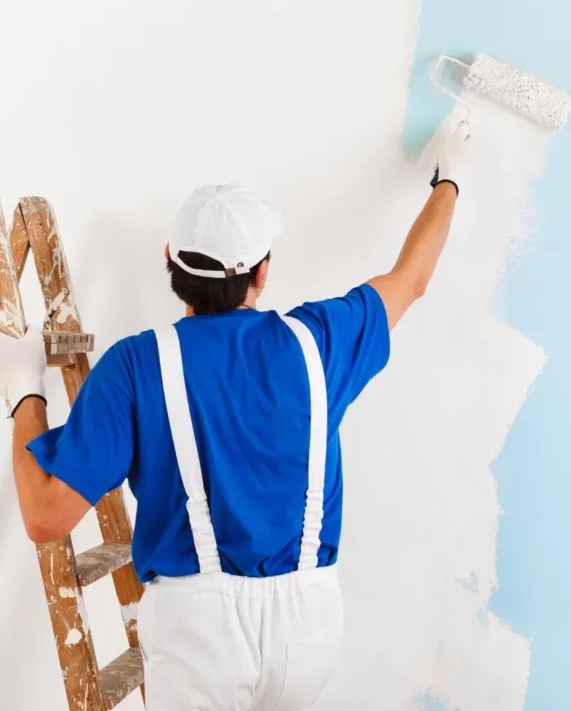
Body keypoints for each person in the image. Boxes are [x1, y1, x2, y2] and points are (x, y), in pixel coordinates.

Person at [0, 123, 471, 711]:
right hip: (310, 627)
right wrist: (449, 175)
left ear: (171, 260)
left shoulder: (136, 367)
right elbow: (413, 278)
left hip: (199, 635)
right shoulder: (318, 341)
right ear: (261, 272)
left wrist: (25, 391)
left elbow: (46, 517)